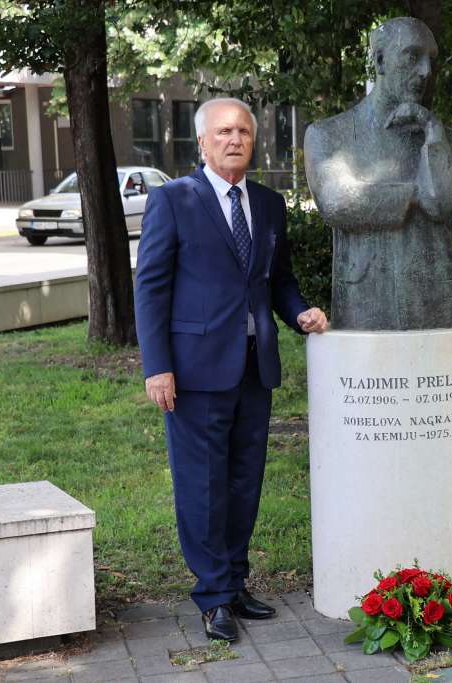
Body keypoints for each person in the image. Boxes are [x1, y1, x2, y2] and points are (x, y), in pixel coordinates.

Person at [135, 97, 328, 642]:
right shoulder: (173, 200)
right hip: (193, 372)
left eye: (243, 130)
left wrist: (299, 313)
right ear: (202, 142)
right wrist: (158, 367)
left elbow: (278, 279)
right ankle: (213, 596)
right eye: (223, 131)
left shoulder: (267, 203)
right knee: (203, 485)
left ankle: (235, 581)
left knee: (244, 481)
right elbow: (150, 287)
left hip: (254, 367)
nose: (235, 138)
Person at [304, 16, 452, 330]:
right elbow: (338, 202)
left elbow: (447, 201)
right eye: (412, 56)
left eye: (431, 61)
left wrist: (432, 132)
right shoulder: (329, 134)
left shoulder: (445, 139)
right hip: (366, 305)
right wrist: (415, 193)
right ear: (379, 60)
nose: (425, 71)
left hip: (437, 303)